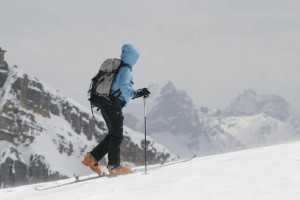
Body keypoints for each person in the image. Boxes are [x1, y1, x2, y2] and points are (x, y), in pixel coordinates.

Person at [82, 44, 150, 176]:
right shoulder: (126, 70)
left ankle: (92, 158)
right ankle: (114, 166)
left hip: (106, 104)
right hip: (113, 106)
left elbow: (119, 89)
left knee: (113, 135)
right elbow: (124, 88)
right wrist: (137, 92)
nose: (136, 61)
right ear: (131, 57)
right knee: (117, 136)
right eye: (135, 58)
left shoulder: (119, 68)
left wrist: (137, 93)